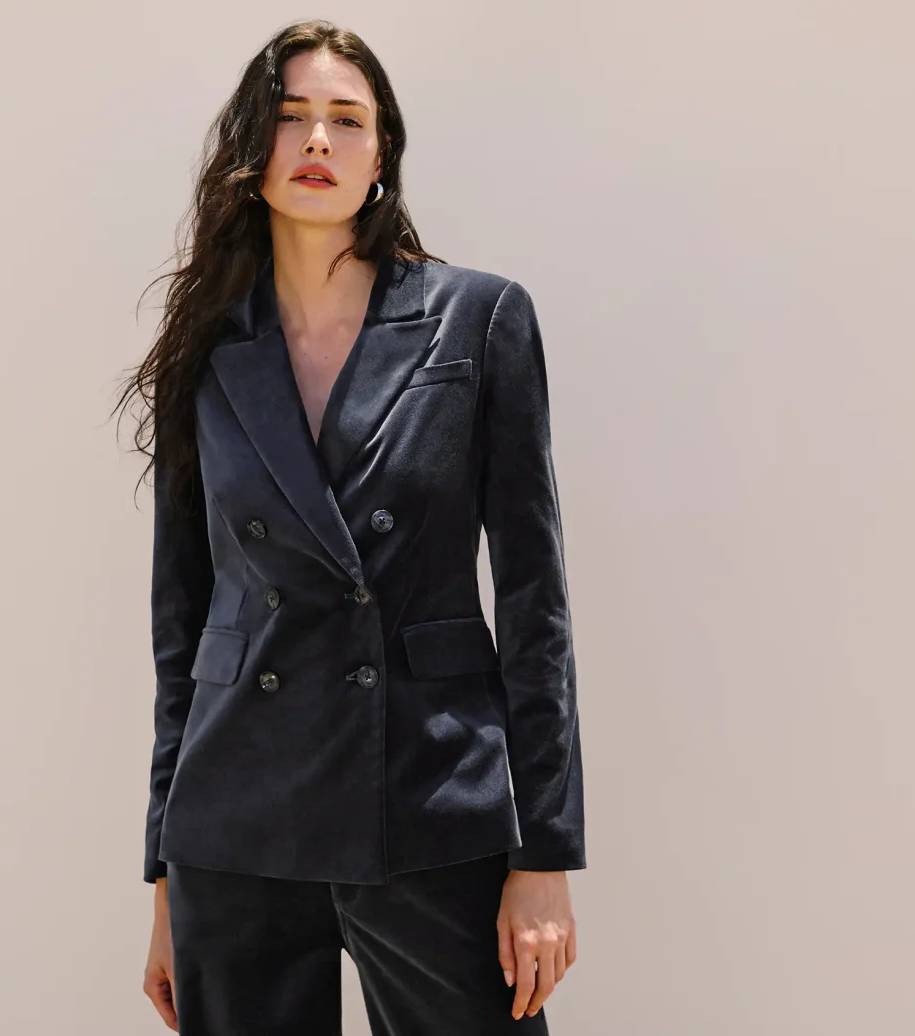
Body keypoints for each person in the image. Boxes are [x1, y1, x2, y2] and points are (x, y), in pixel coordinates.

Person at [112, 19, 584, 1034]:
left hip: (428, 798)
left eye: (345, 120)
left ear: (382, 157)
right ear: (250, 152)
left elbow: (534, 600)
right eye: (290, 119)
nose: (317, 141)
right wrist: (165, 875)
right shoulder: (207, 348)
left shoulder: (477, 320)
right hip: (237, 824)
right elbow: (183, 628)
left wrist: (541, 854)